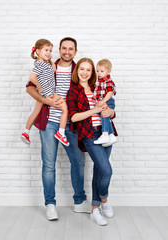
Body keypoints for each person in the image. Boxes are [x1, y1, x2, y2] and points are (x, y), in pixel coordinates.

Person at [26, 37, 90, 221]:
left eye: (71, 49)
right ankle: (50, 204)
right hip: (48, 123)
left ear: (75, 52)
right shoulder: (47, 66)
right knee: (48, 165)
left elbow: (93, 90)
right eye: (64, 48)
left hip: (71, 124)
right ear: (59, 50)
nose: (67, 52)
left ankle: (79, 202)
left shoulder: (80, 70)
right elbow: (30, 88)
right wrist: (46, 101)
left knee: (78, 162)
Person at [66, 58, 117, 226]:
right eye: (82, 69)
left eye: (89, 70)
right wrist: (94, 109)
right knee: (107, 170)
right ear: (77, 70)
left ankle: (95, 209)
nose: (85, 72)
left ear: (93, 72)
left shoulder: (98, 87)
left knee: (99, 172)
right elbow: (73, 117)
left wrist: (109, 111)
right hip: (89, 135)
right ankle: (104, 199)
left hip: (105, 132)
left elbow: (111, 108)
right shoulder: (74, 91)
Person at [21, 39, 69, 146]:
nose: (48, 53)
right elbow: (32, 77)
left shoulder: (46, 64)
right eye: (46, 50)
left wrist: (50, 60)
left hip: (47, 92)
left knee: (35, 112)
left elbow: (54, 70)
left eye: (50, 51)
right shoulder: (39, 65)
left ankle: (26, 132)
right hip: (48, 93)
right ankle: (61, 133)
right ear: (38, 51)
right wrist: (39, 86)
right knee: (64, 108)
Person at [93, 59, 117, 146]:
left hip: (108, 101)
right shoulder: (99, 81)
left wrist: (103, 101)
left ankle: (105, 134)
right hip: (103, 101)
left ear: (108, 71)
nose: (99, 73)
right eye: (97, 71)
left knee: (104, 115)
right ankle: (111, 135)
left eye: (102, 71)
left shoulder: (108, 81)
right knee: (105, 117)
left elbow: (110, 93)